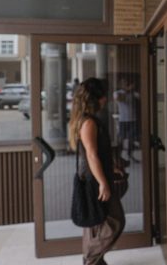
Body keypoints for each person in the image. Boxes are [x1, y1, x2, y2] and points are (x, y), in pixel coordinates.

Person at [69, 78, 125, 265]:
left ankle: (95, 260)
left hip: (93, 177)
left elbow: (95, 154)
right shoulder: (89, 123)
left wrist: (111, 167)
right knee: (115, 222)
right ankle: (91, 259)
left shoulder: (86, 120)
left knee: (96, 223)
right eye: (102, 96)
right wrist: (103, 183)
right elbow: (91, 155)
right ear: (95, 99)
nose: (105, 100)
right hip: (94, 180)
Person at [114, 77, 140, 163]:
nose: (125, 84)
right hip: (123, 120)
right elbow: (120, 99)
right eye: (123, 83)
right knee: (121, 138)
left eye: (126, 82)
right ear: (120, 84)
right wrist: (128, 90)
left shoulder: (132, 93)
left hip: (132, 119)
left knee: (131, 139)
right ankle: (119, 156)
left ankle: (130, 154)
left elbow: (140, 97)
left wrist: (131, 91)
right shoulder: (117, 93)